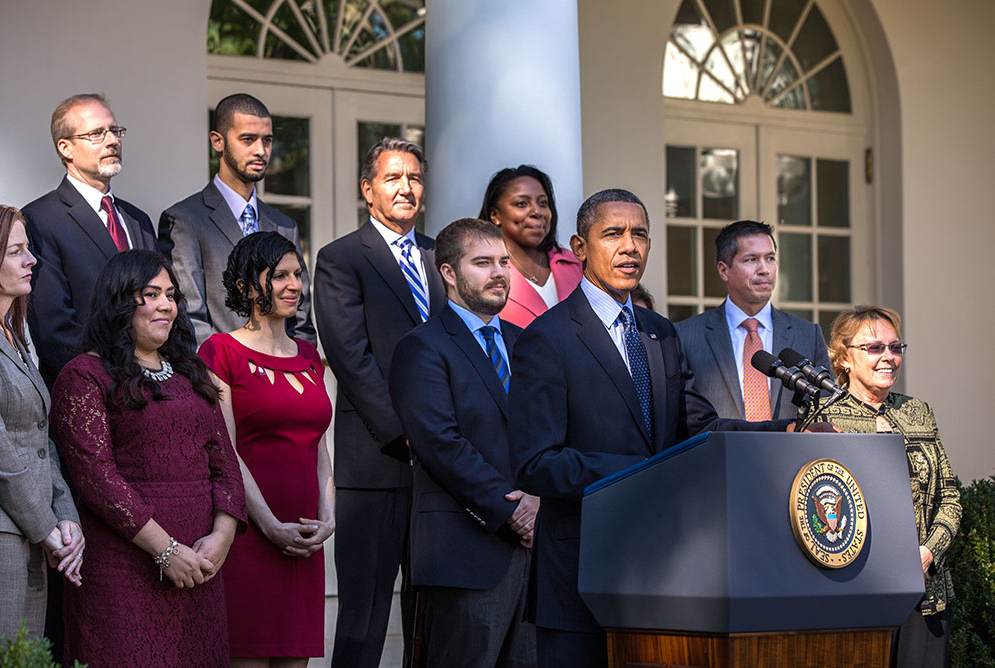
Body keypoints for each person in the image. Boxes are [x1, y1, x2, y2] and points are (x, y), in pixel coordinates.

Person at [507, 189, 795, 667]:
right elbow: (536, 464)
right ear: (579, 247)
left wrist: (782, 434)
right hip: (583, 570)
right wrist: (641, 475)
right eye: (613, 234)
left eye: (640, 233)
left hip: (663, 571)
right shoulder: (547, 337)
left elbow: (696, 426)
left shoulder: (660, 332)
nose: (630, 246)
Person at [50, 249, 247, 668]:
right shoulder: (85, 375)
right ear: (121, 301)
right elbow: (95, 477)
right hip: (123, 571)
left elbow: (225, 464)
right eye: (151, 294)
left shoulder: (190, 373)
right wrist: (165, 551)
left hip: (200, 568)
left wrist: (221, 539)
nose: (165, 305)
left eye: (171, 294)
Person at [313, 137, 446, 668]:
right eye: (393, 178)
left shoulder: (443, 255)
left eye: (414, 177)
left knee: (430, 617)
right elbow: (350, 357)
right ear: (368, 189)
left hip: (442, 470)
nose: (405, 188)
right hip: (376, 461)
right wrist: (408, 432)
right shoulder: (341, 258)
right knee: (363, 621)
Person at [390, 219, 537, 668]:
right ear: (449, 273)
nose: (499, 273)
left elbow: (550, 432)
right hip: (464, 552)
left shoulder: (527, 343)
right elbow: (440, 444)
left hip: (535, 556)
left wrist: (540, 499)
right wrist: (512, 509)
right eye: (483, 263)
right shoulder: (422, 347)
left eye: (503, 263)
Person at [0, 204, 83, 639]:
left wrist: (67, 517)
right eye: (15, 252)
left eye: (28, 249)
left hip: (30, 535)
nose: (32, 260)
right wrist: (48, 529)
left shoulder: (11, 334)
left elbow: (41, 440)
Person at [198, 231, 334, 667]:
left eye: (298, 274)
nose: (295, 285)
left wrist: (330, 517)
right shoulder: (220, 352)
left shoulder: (311, 355)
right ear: (245, 285)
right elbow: (225, 451)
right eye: (279, 276)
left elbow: (319, 445)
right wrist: (270, 525)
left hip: (305, 543)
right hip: (249, 538)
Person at [820, 306, 960, 668]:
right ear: (844, 357)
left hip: (924, 595)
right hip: (853, 596)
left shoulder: (918, 411)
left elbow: (950, 495)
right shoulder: (821, 418)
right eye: (875, 348)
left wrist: (929, 552)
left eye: (896, 347)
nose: (889, 357)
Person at [23, 93, 157, 390]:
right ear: (65, 147)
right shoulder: (39, 219)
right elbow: (52, 329)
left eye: (115, 131)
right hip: (90, 391)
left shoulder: (139, 220)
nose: (112, 141)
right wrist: (119, 378)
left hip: (151, 391)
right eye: (97, 133)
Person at [159, 93, 314, 347]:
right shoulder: (184, 219)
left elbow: (301, 319)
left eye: (267, 140)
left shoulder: (284, 226)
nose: (261, 151)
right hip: (219, 377)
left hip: (283, 377)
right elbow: (189, 316)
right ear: (217, 142)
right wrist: (218, 377)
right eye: (248, 140)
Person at [675, 220, 831, 420]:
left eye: (770, 258)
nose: (764, 269)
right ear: (724, 270)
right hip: (720, 450)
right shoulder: (686, 336)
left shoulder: (808, 335)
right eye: (751, 260)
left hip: (793, 451)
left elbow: (825, 411)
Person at [478, 165, 581, 328]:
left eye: (543, 203)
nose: (536, 211)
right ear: (495, 215)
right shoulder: (482, 273)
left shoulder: (578, 264)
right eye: (521, 203)